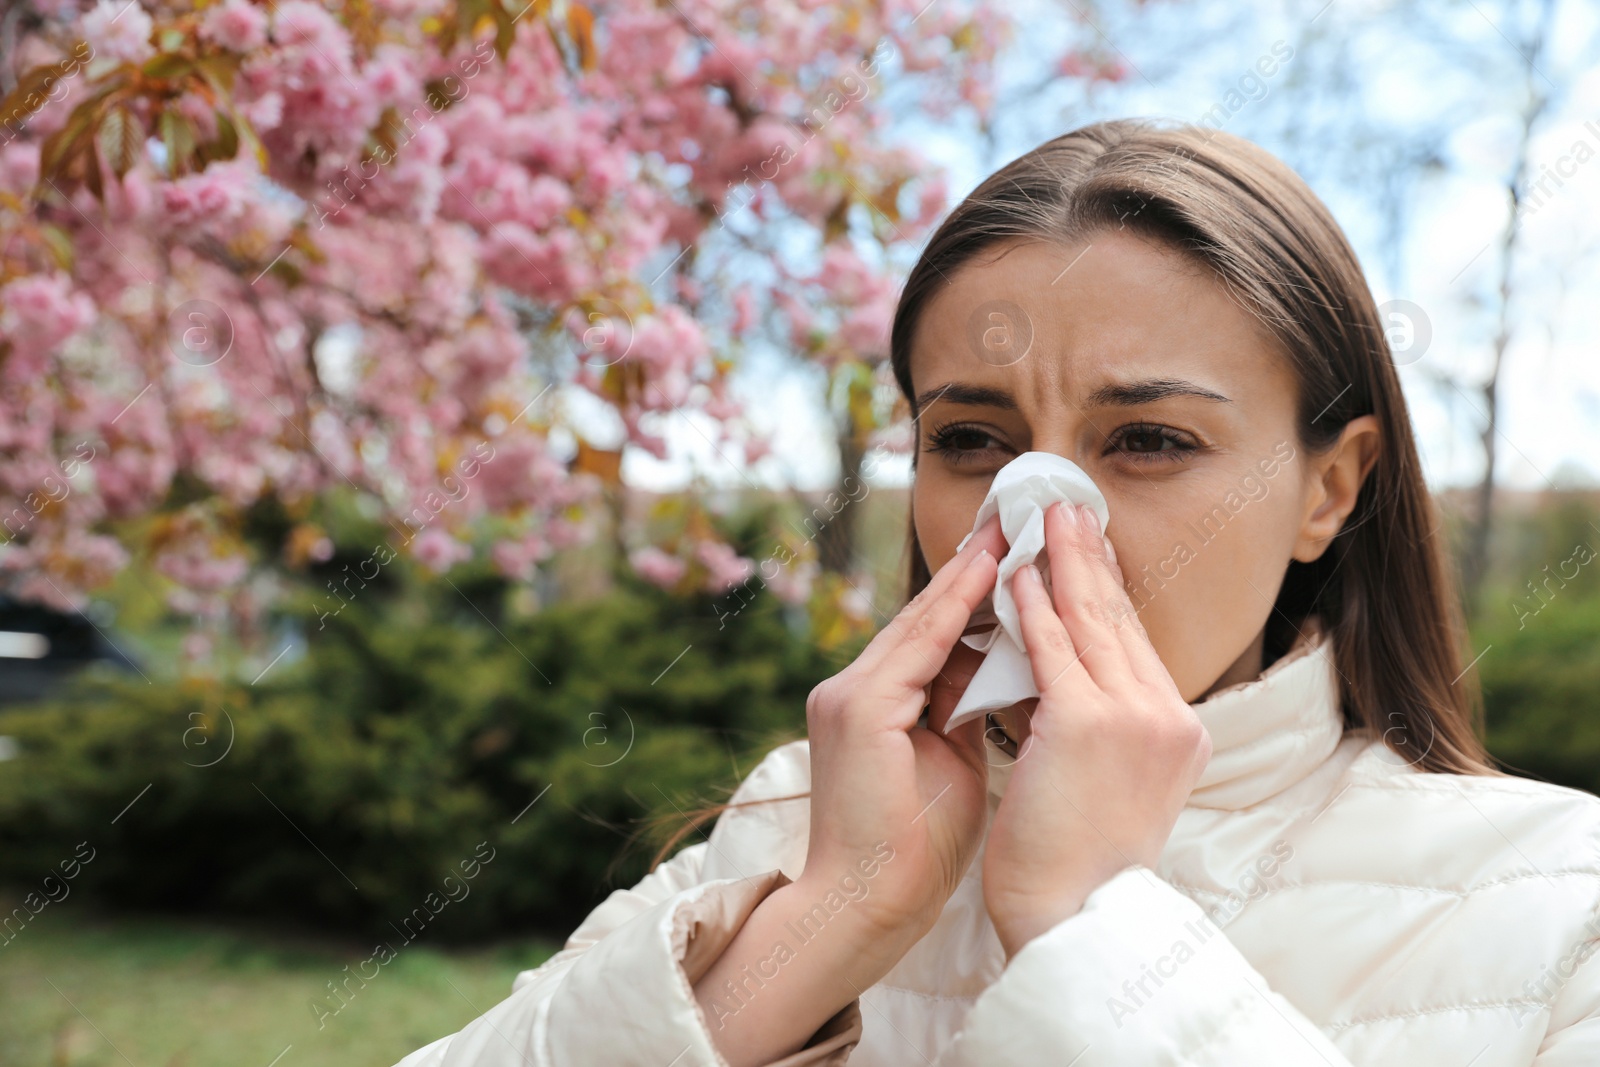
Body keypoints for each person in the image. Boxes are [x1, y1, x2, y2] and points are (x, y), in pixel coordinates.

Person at [395, 119, 1600, 1066]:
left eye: (1150, 439)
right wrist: (823, 923)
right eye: (971, 438)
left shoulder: (1562, 900)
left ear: (1329, 487)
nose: (1036, 518)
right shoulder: (795, 820)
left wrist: (1094, 924)